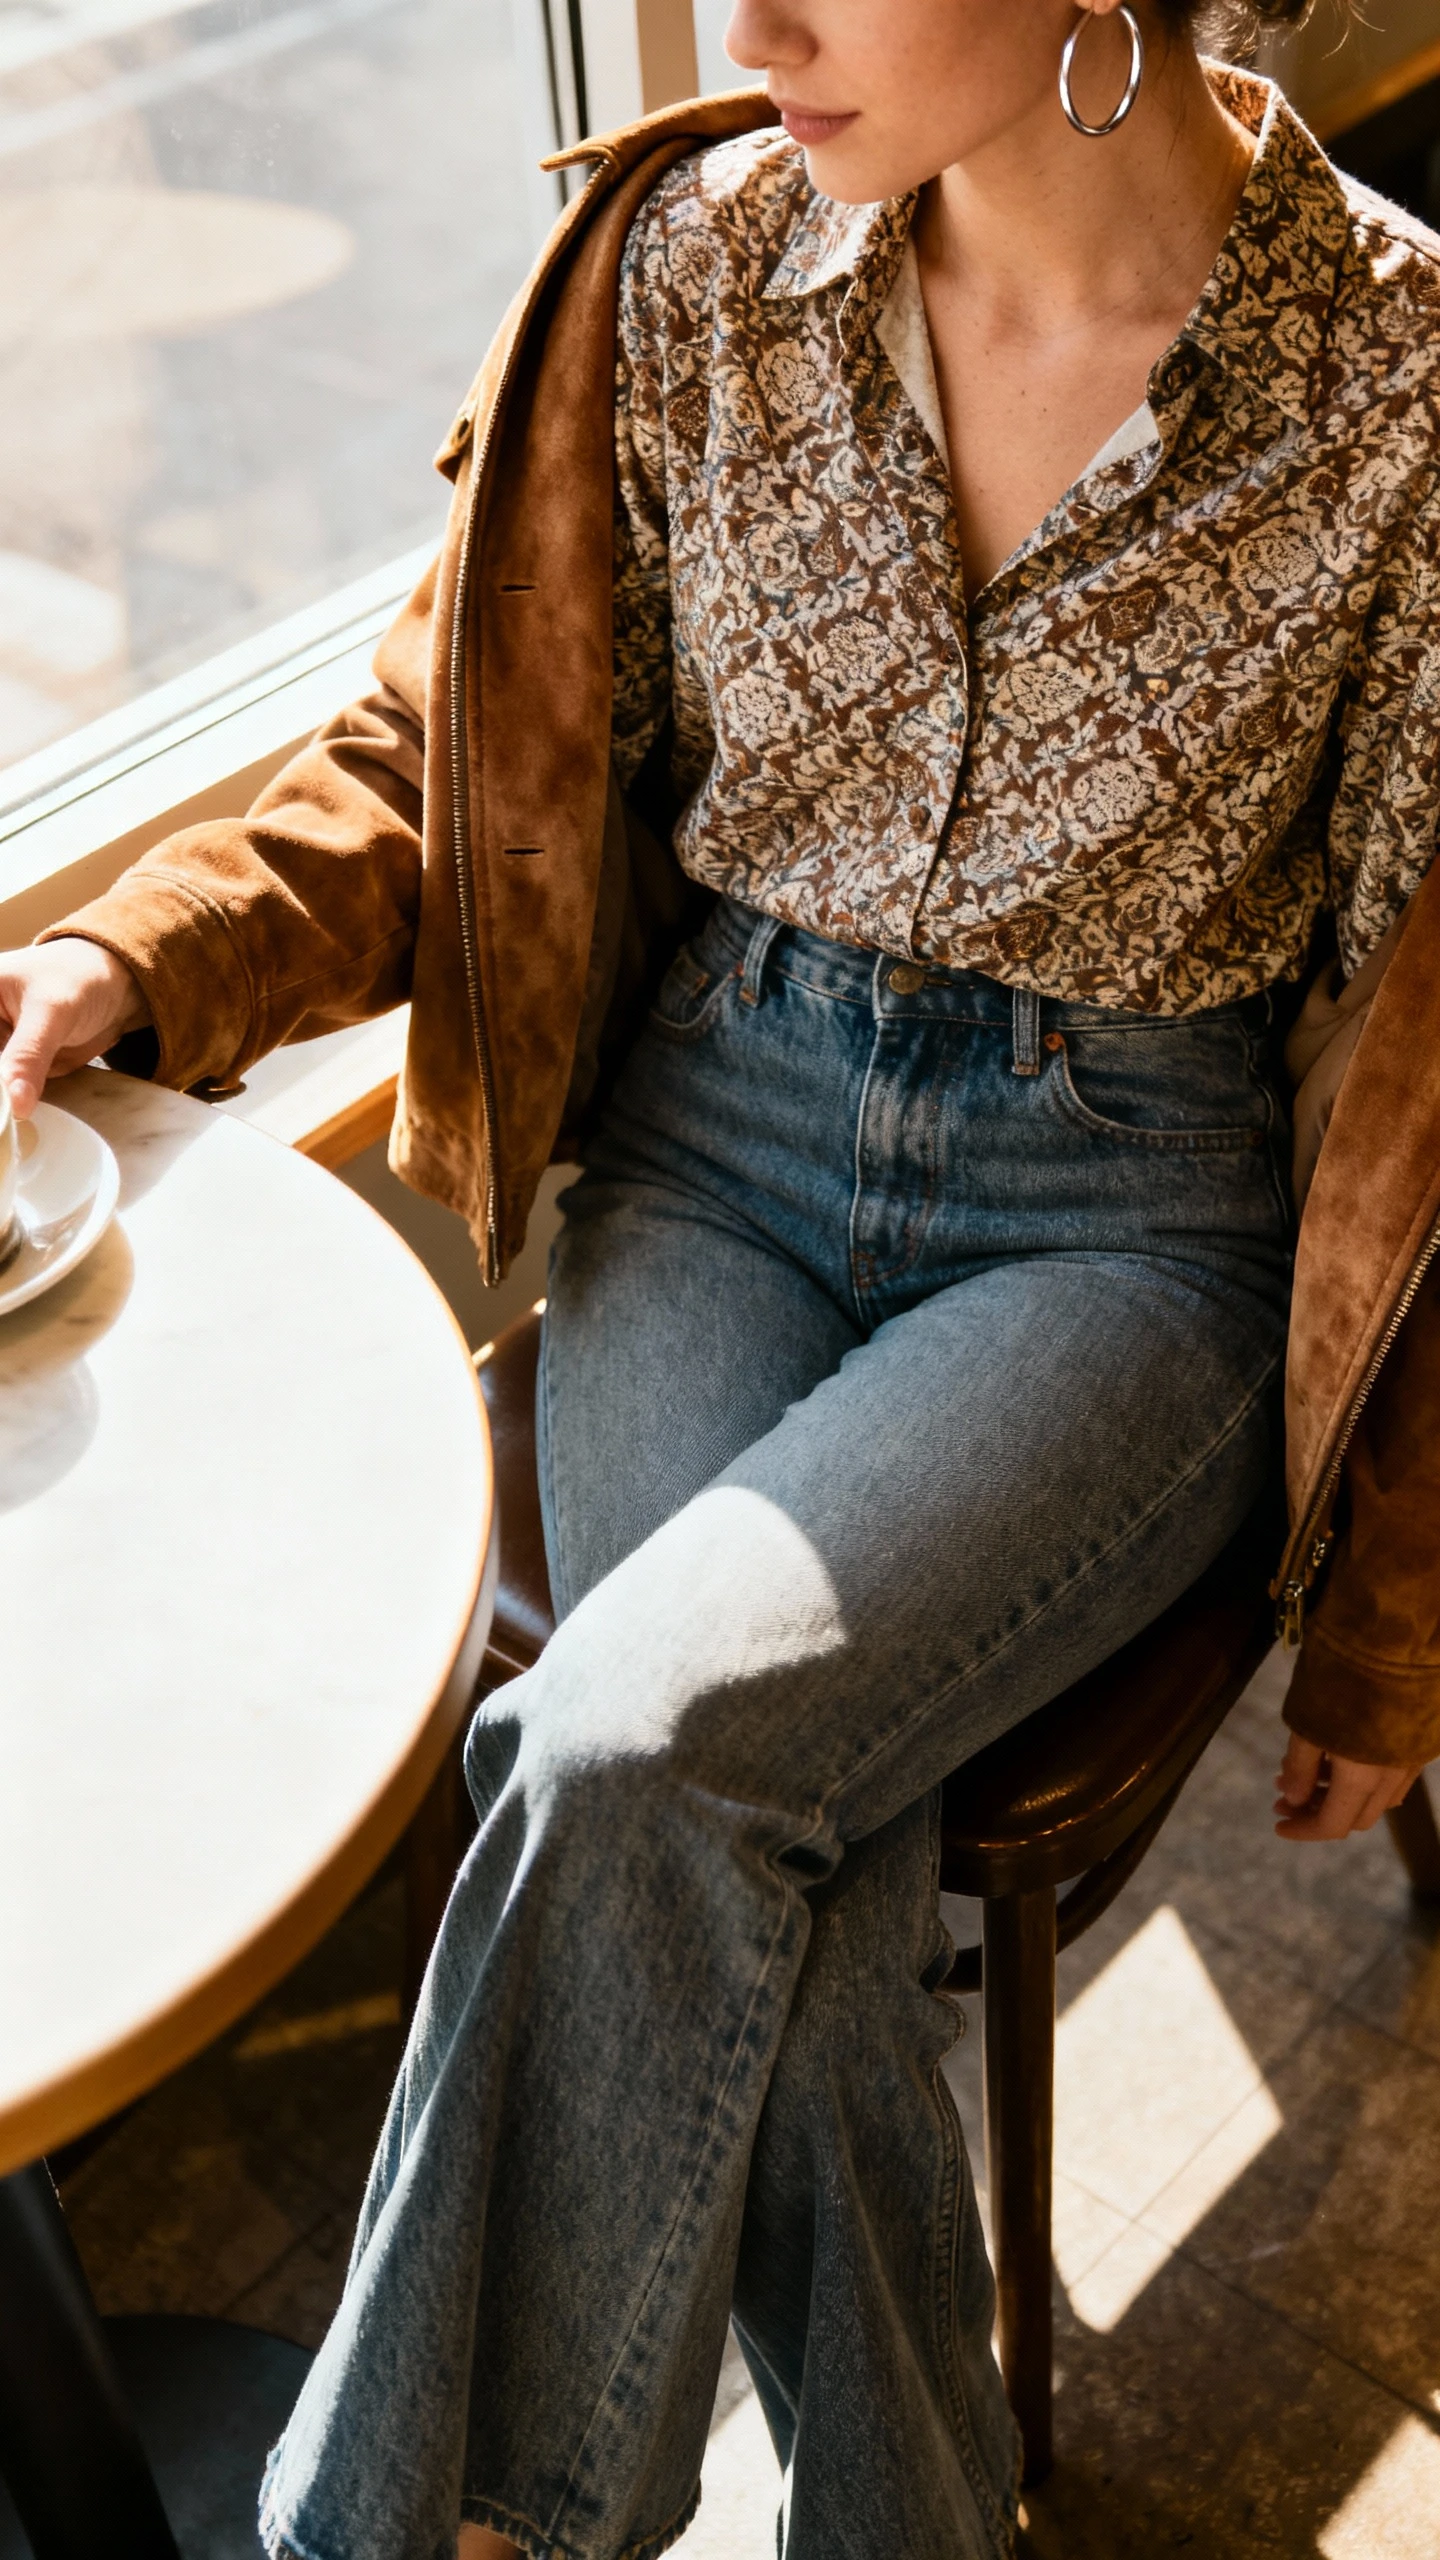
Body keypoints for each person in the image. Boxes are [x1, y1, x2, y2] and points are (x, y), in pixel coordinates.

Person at [3, 1, 1439, 2551]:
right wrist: (136, 955)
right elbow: (455, 746)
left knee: (623, 1755)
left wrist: (1400, 1617)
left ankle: (400, 2525)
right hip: (714, 1156)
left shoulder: (1405, 386)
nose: (751, 22)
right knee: (765, 1859)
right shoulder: (677, 270)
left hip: (1119, 1221)